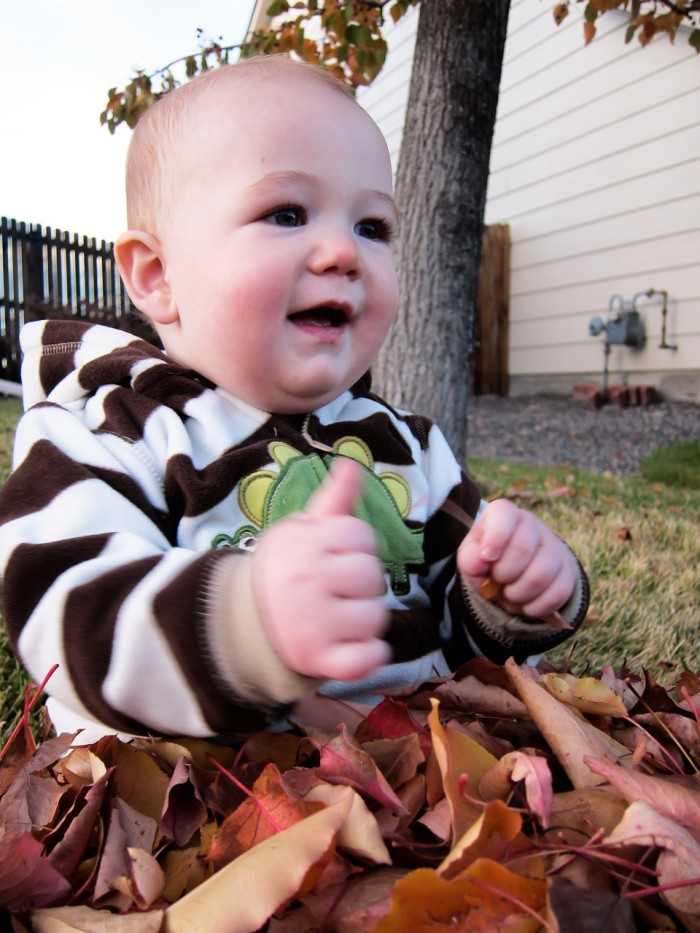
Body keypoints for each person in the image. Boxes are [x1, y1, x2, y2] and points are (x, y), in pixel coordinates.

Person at [0, 56, 588, 742]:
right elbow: (60, 613)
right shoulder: (107, 431)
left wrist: (507, 597)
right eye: (286, 213)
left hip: (403, 795)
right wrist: (246, 626)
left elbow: (464, 635)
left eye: (373, 226)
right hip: (192, 807)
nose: (343, 251)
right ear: (158, 276)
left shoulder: (411, 448)